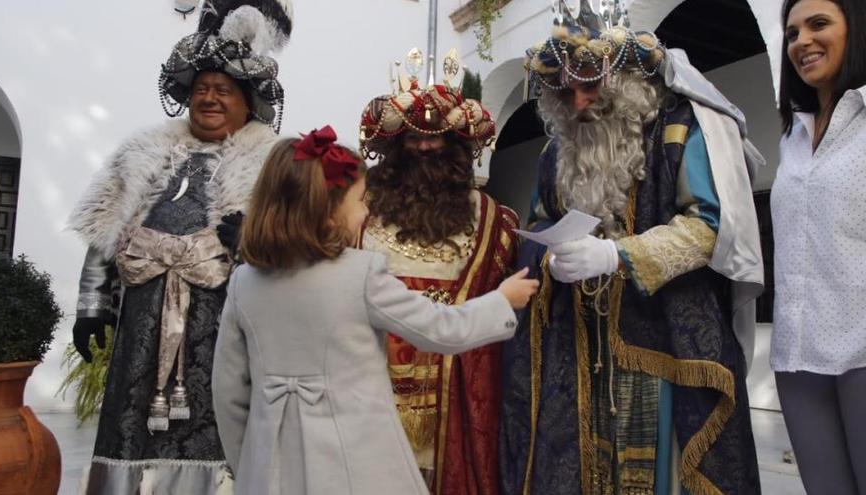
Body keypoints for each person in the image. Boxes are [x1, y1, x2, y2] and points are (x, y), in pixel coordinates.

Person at [499, 2, 766, 494]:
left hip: (660, 337)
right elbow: (541, 220)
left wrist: (616, 256)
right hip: (578, 346)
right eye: (565, 91)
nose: (580, 102)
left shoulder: (678, 129)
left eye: (591, 85)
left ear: (624, 79)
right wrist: (553, 257)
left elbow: (709, 225)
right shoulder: (555, 152)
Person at [211, 127, 538, 495]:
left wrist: (252, 465)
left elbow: (228, 394)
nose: (367, 211)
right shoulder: (360, 274)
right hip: (359, 467)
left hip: (272, 470)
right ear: (330, 213)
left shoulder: (244, 284)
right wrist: (501, 300)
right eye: (362, 200)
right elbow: (442, 330)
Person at [66, 1, 292, 492]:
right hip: (140, 331)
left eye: (223, 91)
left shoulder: (275, 164)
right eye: (201, 90)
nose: (209, 99)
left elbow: (295, 248)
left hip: (225, 331)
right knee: (130, 426)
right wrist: (91, 306)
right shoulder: (142, 151)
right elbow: (104, 231)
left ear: (248, 101)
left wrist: (255, 241)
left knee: (218, 432)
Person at [358, 56, 520, 493]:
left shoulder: (492, 220)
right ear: (395, 146)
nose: (427, 149)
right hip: (370, 397)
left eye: (440, 140)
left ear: (460, 149)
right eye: (414, 139)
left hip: (456, 403)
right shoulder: (357, 212)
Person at [772, 0, 866, 492]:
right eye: (791, 33)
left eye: (819, 24)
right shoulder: (792, 135)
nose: (802, 41)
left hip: (862, 351)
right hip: (797, 357)